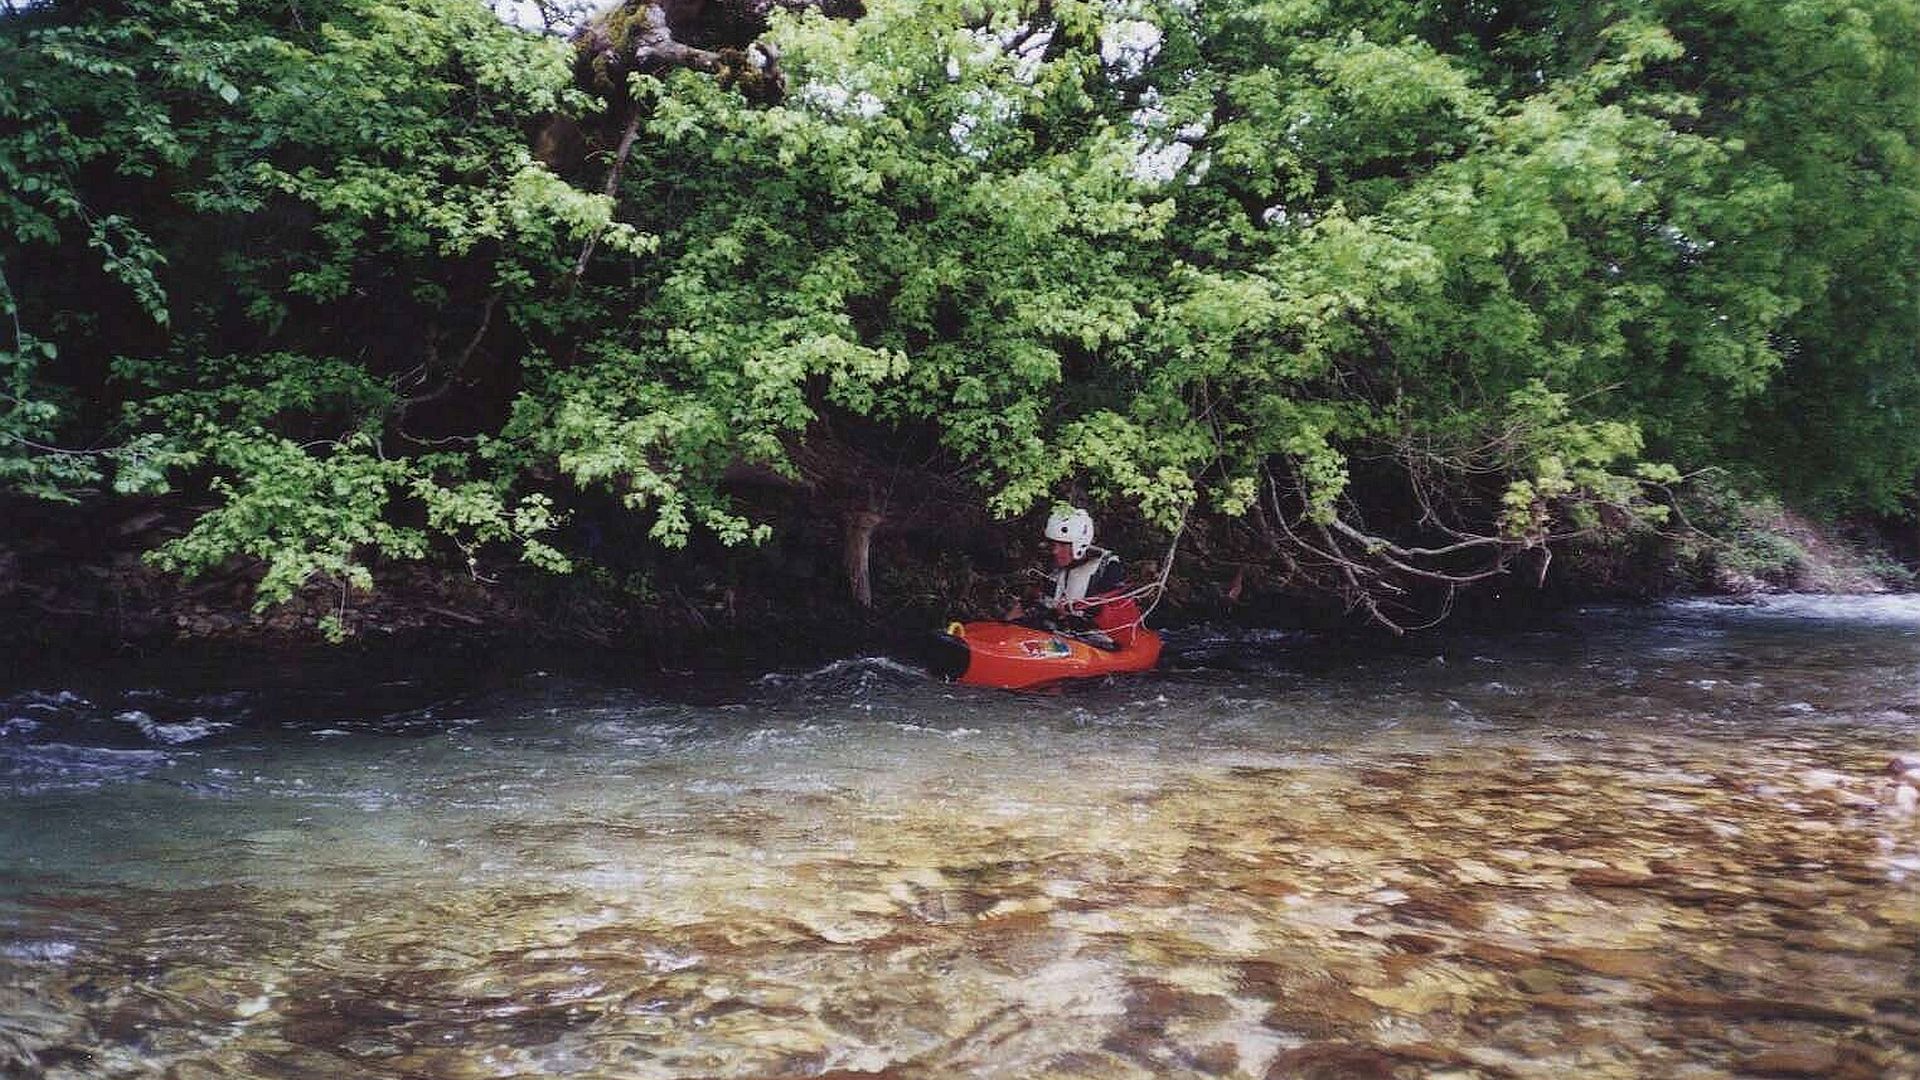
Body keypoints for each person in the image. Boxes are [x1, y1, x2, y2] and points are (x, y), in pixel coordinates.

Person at [1006, 507, 1144, 648]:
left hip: (1092, 641)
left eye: (1062, 545)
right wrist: (1006, 628)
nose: (1055, 550)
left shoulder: (1108, 568)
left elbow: (1118, 619)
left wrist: (1075, 612)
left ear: (1080, 544)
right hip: (1053, 631)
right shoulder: (1049, 564)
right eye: (1053, 544)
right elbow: (1027, 604)